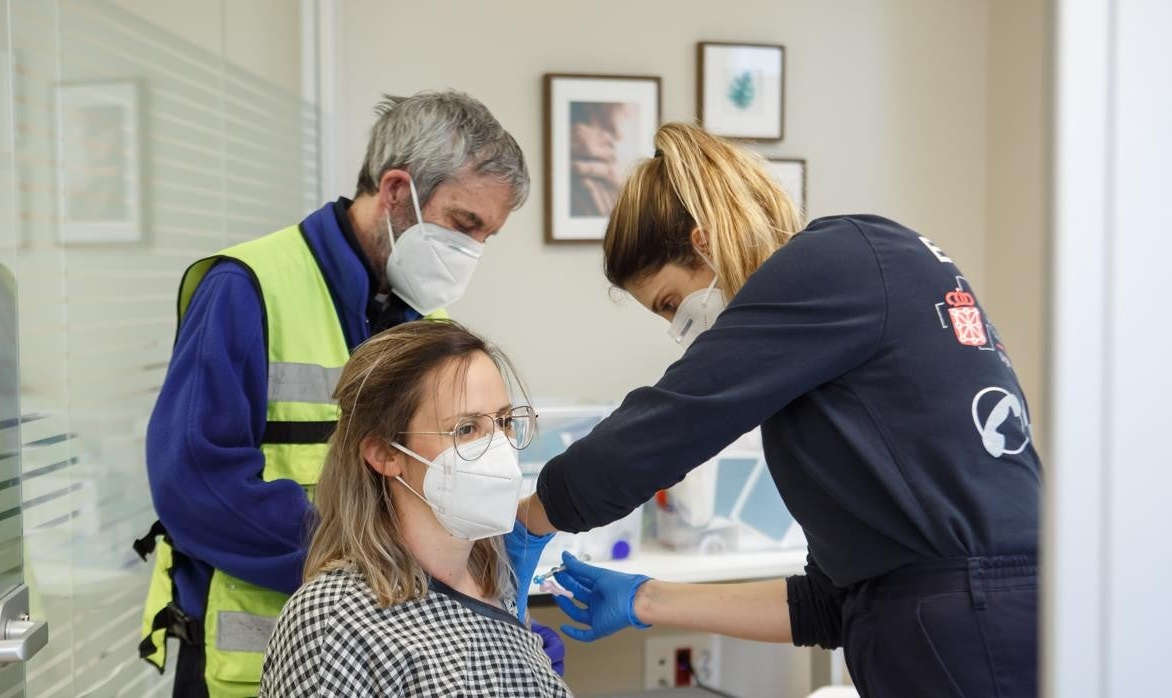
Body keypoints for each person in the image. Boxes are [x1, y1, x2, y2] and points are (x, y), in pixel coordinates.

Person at [521, 122, 1040, 697]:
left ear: (704, 241)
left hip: (969, 625)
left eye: (671, 303)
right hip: (958, 619)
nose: (680, 329)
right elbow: (829, 603)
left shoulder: (834, 260)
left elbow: (669, 423)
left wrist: (529, 519)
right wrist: (647, 598)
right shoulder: (830, 329)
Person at [135, 90, 562, 697]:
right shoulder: (246, 288)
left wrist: (494, 623)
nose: (472, 252)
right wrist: (376, 578)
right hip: (249, 662)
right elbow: (197, 485)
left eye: (486, 236)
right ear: (394, 191)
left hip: (395, 647)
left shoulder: (431, 330)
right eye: (464, 225)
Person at [259, 320, 570, 697]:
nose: (499, 449)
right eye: (466, 429)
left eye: (504, 421)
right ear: (386, 454)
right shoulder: (335, 621)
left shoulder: (494, 578)